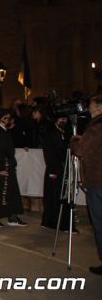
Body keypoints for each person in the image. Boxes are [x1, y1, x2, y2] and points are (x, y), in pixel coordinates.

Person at [70, 95, 102, 275]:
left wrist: (75, 140)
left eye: (90, 107)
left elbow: (81, 150)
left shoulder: (97, 127)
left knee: (99, 222)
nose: (88, 110)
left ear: (99, 108)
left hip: (98, 182)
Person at [0, 109, 27, 228]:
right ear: (0, 118)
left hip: (9, 165)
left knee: (11, 192)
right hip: (0, 166)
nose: (7, 120)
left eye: (9, 118)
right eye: (5, 118)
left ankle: (12, 217)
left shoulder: (6, 131)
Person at [40, 115, 73, 231]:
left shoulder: (67, 132)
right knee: (53, 196)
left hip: (64, 168)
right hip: (55, 169)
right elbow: (49, 153)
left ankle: (64, 222)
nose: (63, 121)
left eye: (65, 119)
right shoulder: (49, 134)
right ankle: (51, 222)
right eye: (60, 119)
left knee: (63, 195)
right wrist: (54, 169)